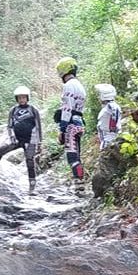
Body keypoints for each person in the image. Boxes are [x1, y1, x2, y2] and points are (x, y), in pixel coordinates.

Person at [0, 85, 43, 195]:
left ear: (27, 98)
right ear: (17, 99)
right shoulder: (13, 110)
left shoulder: (33, 110)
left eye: (24, 97)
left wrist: (39, 142)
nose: (22, 100)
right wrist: (12, 136)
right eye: (19, 98)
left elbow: (38, 126)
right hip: (16, 138)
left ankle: (32, 187)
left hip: (30, 140)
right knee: (2, 149)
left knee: (30, 162)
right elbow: (10, 125)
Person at [55, 57, 87, 193]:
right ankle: (80, 185)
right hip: (79, 123)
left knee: (72, 157)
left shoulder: (68, 86)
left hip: (70, 125)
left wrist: (62, 129)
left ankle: (79, 187)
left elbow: (67, 108)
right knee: (77, 155)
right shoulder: (80, 85)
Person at [91, 83, 124, 199]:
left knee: (105, 171)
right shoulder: (109, 107)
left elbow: (114, 124)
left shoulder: (111, 107)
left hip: (110, 141)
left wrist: (112, 132)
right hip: (107, 140)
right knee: (106, 169)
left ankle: (105, 195)